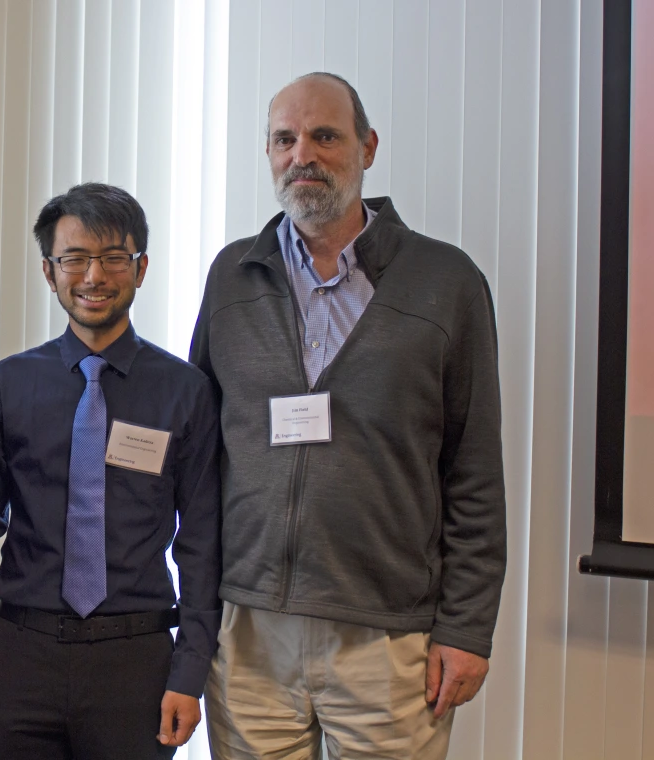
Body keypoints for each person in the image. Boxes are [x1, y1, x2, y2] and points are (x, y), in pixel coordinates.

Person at [189, 72, 507, 759]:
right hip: (248, 636)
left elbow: (474, 471)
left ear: (368, 147)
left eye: (324, 136)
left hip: (388, 638)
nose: (302, 153)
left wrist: (466, 628)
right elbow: (199, 456)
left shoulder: (445, 283)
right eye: (284, 139)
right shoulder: (229, 279)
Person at [0, 183, 222, 759]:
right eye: (74, 259)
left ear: (141, 268)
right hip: (20, 654)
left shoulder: (186, 393)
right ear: (50, 273)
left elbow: (201, 544)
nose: (94, 276)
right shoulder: (9, 384)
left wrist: (190, 669)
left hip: (137, 659)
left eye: (113, 258)